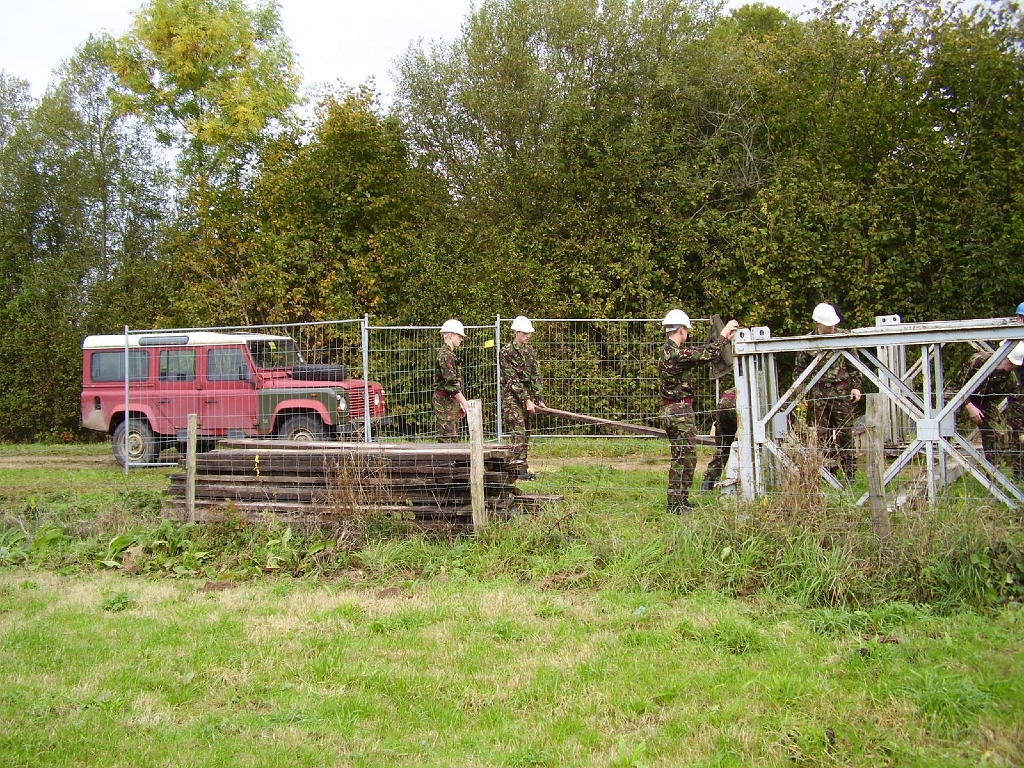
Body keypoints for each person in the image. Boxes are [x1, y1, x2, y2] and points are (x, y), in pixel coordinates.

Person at [659, 309, 740, 513]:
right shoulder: (676, 354)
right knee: (685, 457)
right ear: (682, 330)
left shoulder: (667, 352)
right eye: (686, 330)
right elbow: (708, 353)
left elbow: (701, 351)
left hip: (671, 409)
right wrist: (724, 333)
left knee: (681, 456)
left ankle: (679, 501)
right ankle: (677, 504)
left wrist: (722, 340)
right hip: (680, 411)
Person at [795, 303, 863, 484]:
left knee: (845, 434)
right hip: (818, 393)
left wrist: (856, 386)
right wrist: (803, 394)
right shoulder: (807, 342)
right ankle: (829, 473)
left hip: (841, 391)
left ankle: (850, 475)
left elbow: (855, 365)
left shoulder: (844, 337)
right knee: (822, 436)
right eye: (828, 324)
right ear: (817, 322)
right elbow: (800, 372)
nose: (831, 327)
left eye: (833, 323)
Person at [958, 341, 1024, 474]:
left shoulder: (1009, 378)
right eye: (1012, 362)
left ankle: (992, 473)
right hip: (958, 398)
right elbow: (956, 385)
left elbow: (1016, 404)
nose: (1013, 367)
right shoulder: (979, 361)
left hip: (984, 403)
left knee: (999, 433)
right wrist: (968, 405)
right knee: (945, 425)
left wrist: (1021, 432)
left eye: (1016, 364)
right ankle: (936, 456)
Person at [499, 316, 546, 480]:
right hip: (512, 397)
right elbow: (512, 380)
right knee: (518, 430)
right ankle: (515, 470)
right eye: (525, 333)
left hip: (527, 396)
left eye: (529, 333)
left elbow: (535, 375)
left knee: (526, 431)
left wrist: (539, 398)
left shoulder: (530, 352)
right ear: (517, 332)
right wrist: (527, 400)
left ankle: (522, 469)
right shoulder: (505, 352)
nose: (528, 336)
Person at [433, 319, 470, 442]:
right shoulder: (445, 355)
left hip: (450, 400)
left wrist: (458, 402)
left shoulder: (449, 354)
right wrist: (464, 403)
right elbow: (451, 384)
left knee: (452, 438)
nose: (461, 339)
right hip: (444, 402)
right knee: (447, 440)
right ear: (451, 335)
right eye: (459, 336)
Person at [701, 387, 737, 491]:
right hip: (737, 405)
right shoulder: (759, 386)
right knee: (749, 444)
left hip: (723, 404)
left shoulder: (734, 388)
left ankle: (707, 483)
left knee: (724, 447)